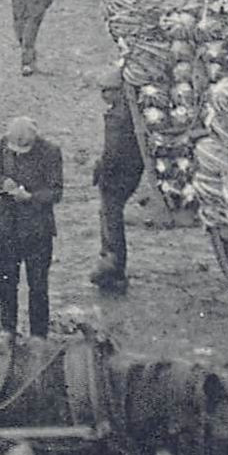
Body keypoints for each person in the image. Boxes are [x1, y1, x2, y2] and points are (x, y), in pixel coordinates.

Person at [0, 117, 63, 337]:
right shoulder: (4, 144)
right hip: (8, 225)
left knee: (38, 285)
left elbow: (56, 192)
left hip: (37, 229)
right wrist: (3, 183)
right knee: (6, 280)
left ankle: (38, 335)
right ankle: (7, 328)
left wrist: (31, 197)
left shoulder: (50, 152)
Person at [91, 67, 144, 292]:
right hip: (131, 170)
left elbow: (112, 152)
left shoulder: (117, 117)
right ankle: (112, 265)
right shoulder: (129, 111)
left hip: (119, 174)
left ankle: (112, 267)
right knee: (110, 216)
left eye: (108, 91)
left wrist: (101, 170)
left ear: (118, 91)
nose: (104, 96)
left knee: (110, 218)